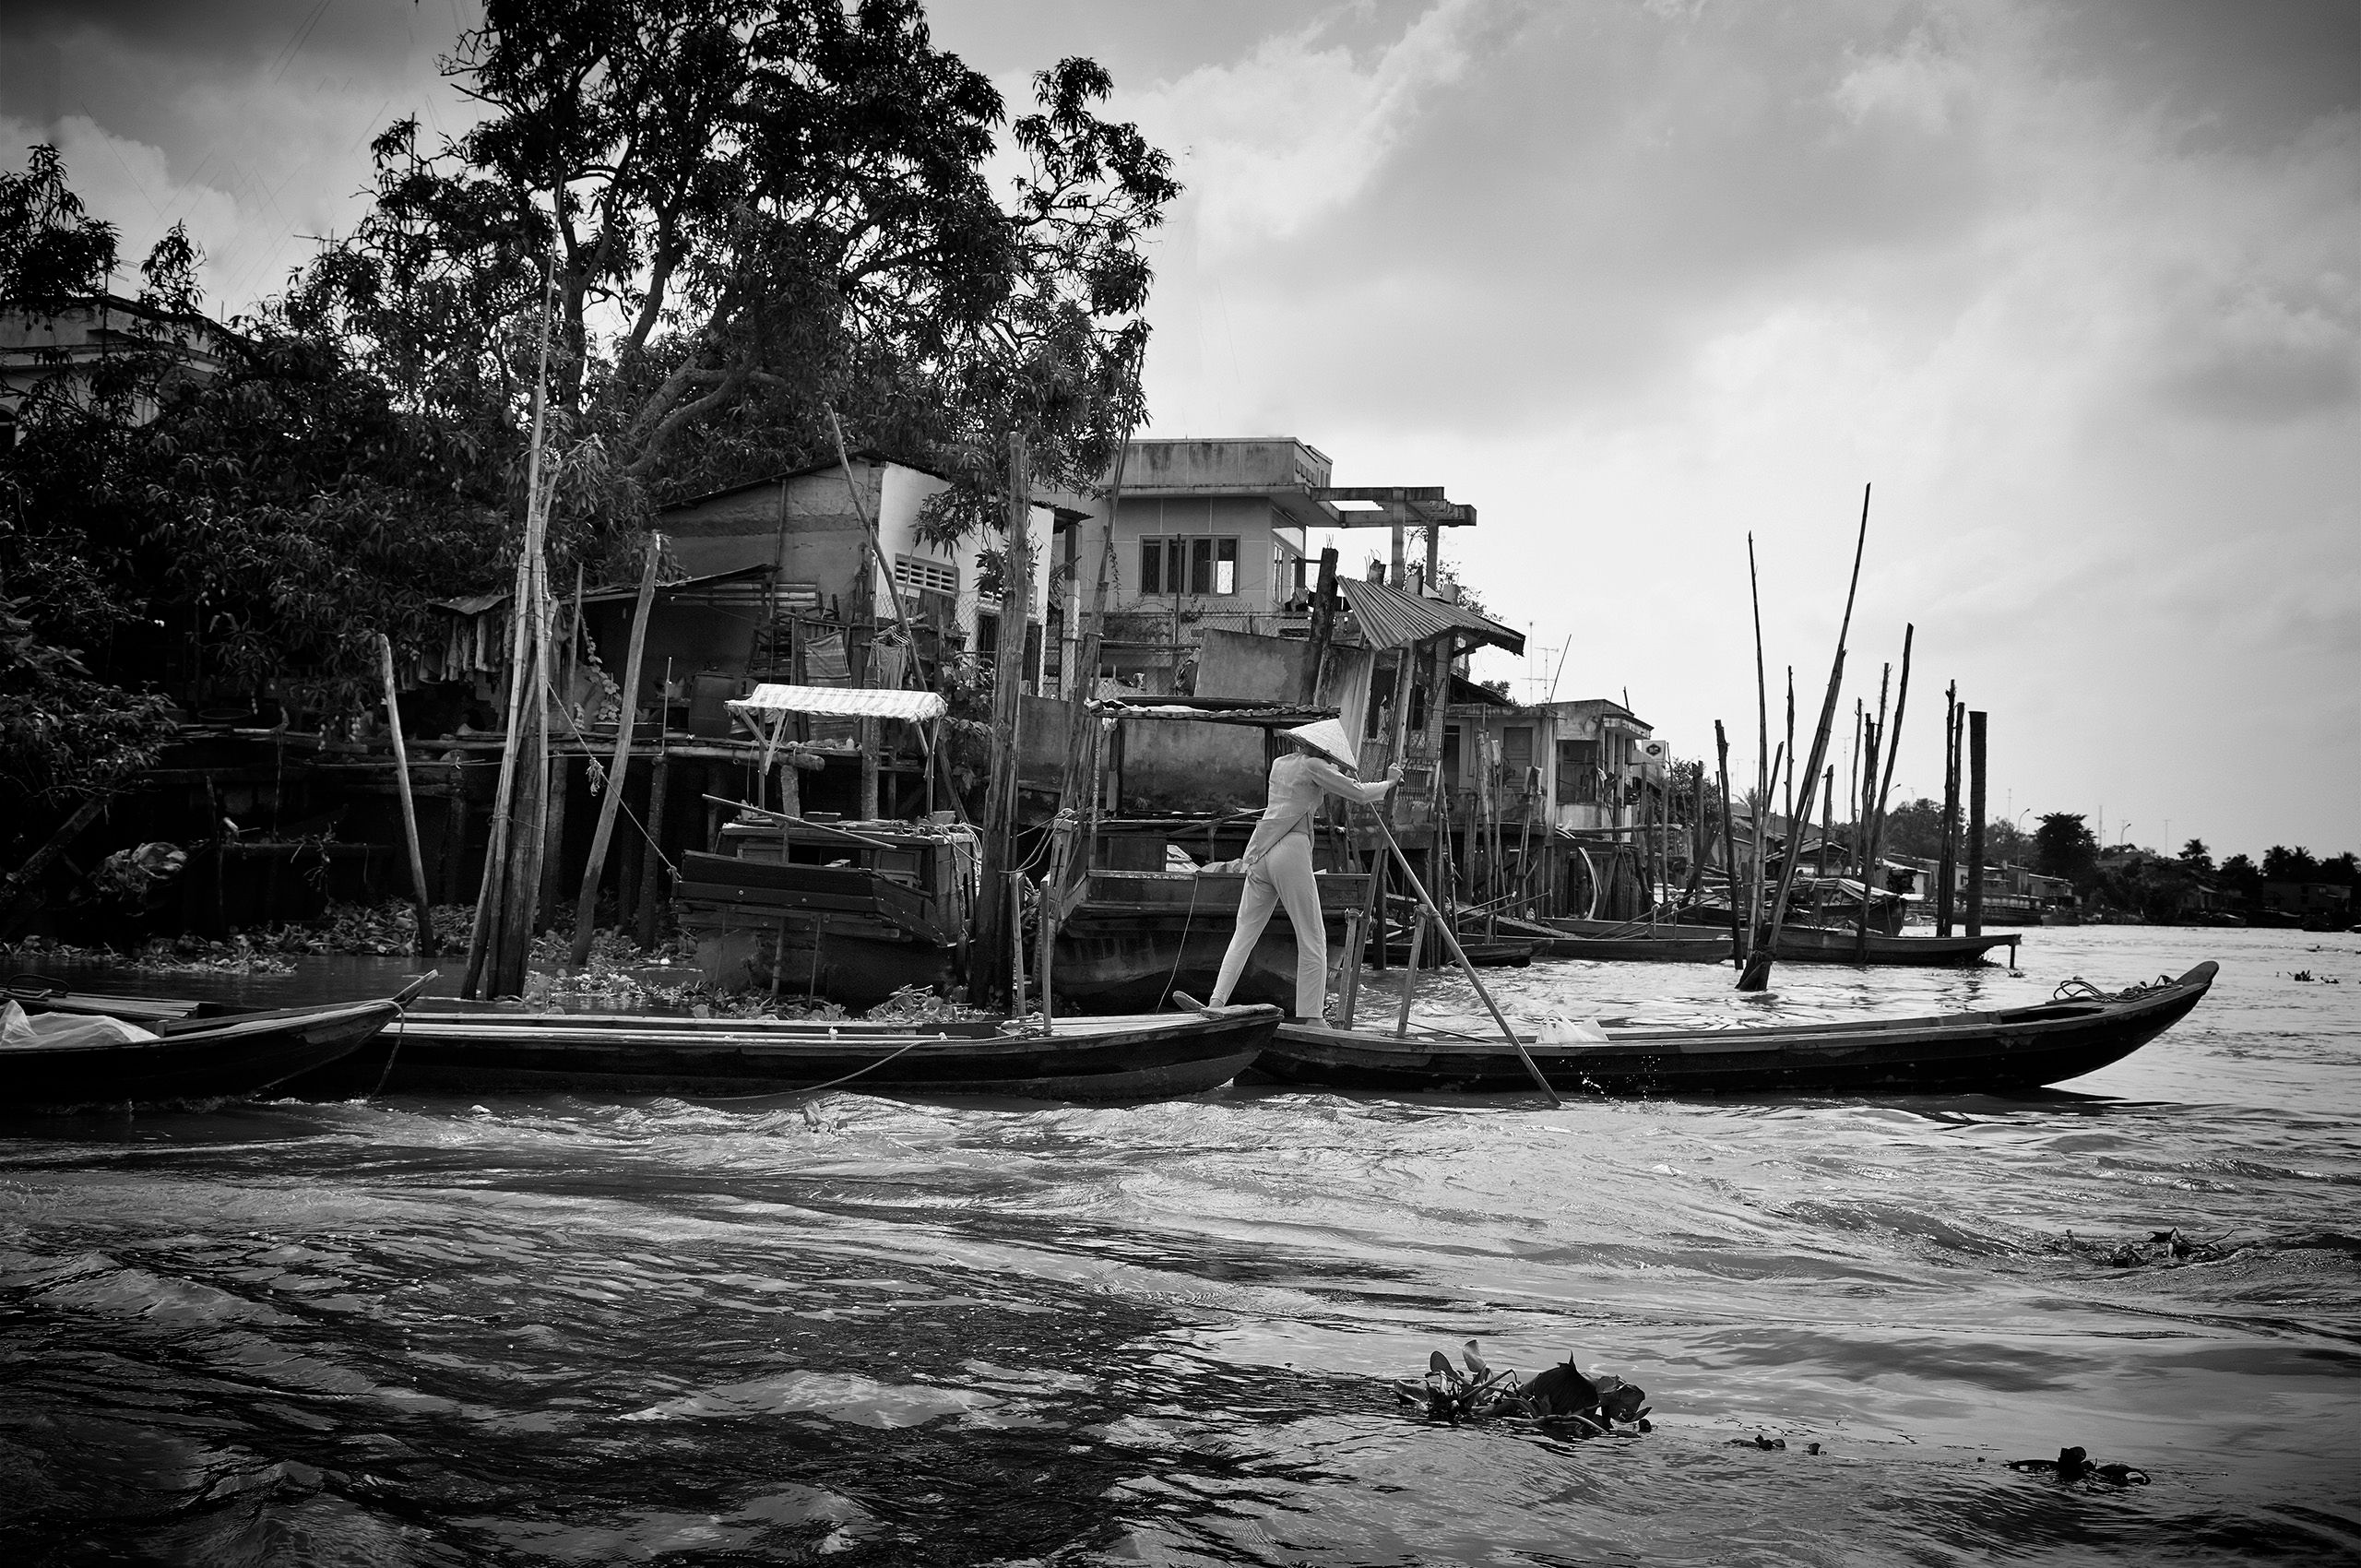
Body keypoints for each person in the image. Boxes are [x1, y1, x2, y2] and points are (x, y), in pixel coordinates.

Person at [1204, 719, 1399, 1020]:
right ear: (1325, 752)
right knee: (1313, 938)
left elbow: (1317, 777)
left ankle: (1216, 1002)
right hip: (1289, 851)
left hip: (1260, 851)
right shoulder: (1315, 767)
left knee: (1244, 933)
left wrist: (1333, 770)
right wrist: (1389, 782)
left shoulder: (1281, 764)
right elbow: (1360, 794)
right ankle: (1313, 1016)